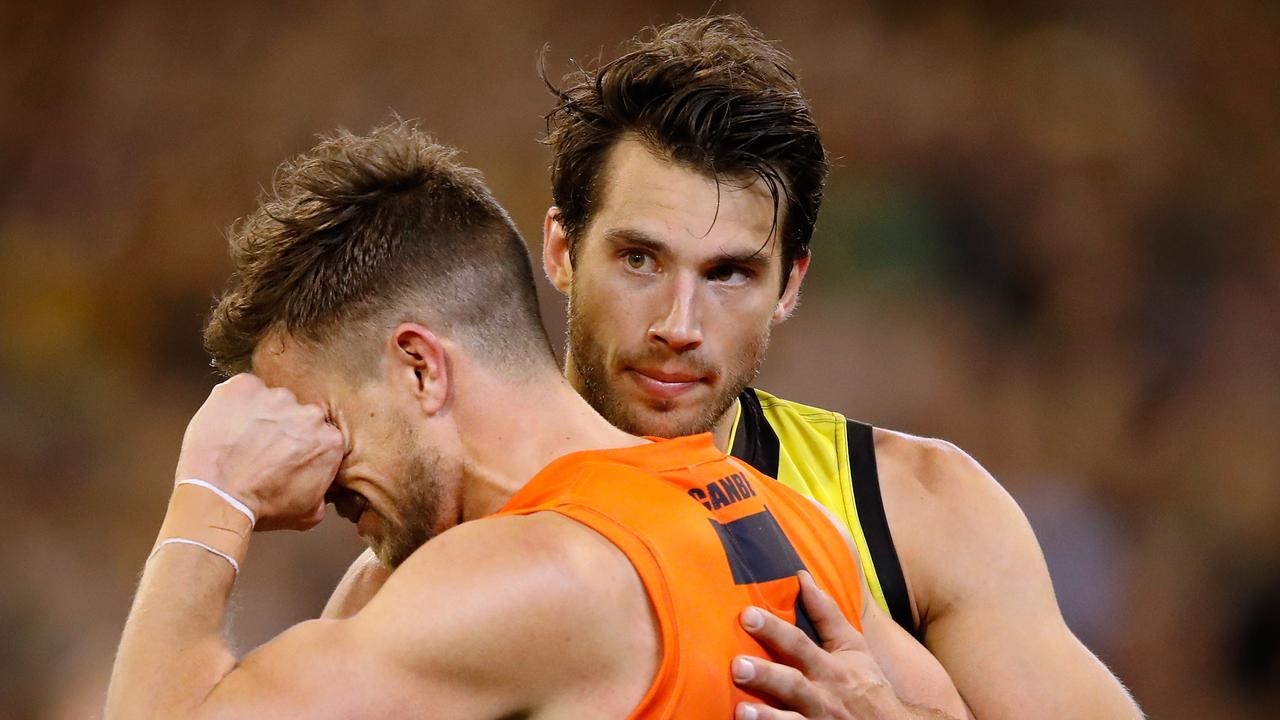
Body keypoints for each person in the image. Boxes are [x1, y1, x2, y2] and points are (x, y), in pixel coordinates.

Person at [323, 15, 1144, 720]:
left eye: (729, 274)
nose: (680, 326)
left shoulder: (913, 510)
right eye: (640, 260)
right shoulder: (429, 556)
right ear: (562, 249)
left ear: (789, 286)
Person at [103, 123, 966, 719]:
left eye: (321, 420)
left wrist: (209, 496)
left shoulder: (529, 578)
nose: (314, 470)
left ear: (419, 366)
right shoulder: (786, 518)